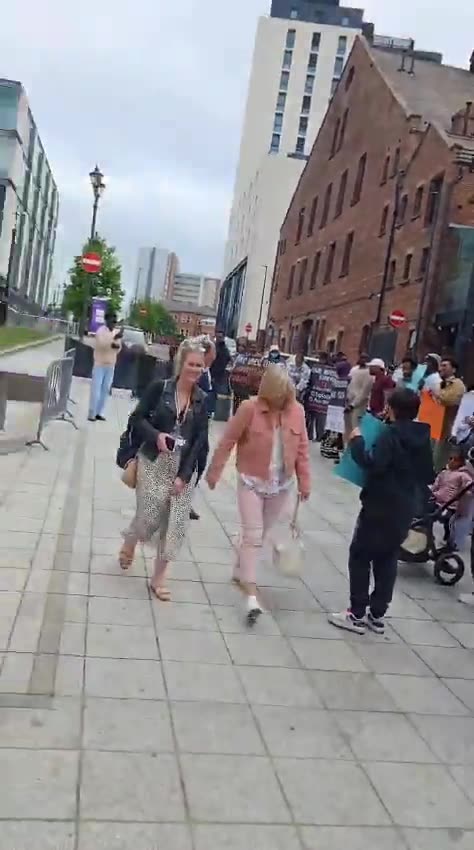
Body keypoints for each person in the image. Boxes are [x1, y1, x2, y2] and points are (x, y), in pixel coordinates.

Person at [206, 365, 311, 624]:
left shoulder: (297, 412)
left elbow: (303, 449)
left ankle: (239, 571)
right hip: (251, 481)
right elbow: (227, 440)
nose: (283, 401)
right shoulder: (249, 409)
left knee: (260, 534)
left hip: (281, 485)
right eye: (280, 395)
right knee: (253, 535)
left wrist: (305, 482)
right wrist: (214, 472)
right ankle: (251, 594)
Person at [328, 388, 434, 635]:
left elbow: (373, 464)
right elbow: (427, 474)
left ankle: (355, 613)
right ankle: (376, 614)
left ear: (393, 409)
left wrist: (356, 441)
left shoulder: (390, 434)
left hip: (379, 506)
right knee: (387, 559)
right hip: (404, 507)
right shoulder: (422, 436)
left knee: (361, 555)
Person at [120, 339, 209, 600]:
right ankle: (131, 540)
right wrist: (157, 435)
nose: (195, 370)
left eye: (200, 366)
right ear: (181, 363)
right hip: (154, 459)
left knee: (175, 524)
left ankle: (158, 578)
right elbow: (136, 419)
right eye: (191, 364)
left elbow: (200, 442)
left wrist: (185, 476)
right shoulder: (160, 389)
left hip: (183, 465)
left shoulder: (202, 400)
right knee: (149, 514)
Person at [190, 338, 216, 521]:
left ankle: (185, 498)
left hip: (203, 423)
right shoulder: (198, 372)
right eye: (212, 352)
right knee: (194, 463)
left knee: (199, 462)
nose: (215, 356)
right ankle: (182, 500)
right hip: (195, 425)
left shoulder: (206, 371)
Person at [431, 446, 474, 549]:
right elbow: (435, 486)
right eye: (450, 459)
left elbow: (470, 485)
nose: (451, 462)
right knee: (428, 518)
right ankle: (428, 537)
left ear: (460, 463)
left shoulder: (462, 475)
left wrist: (467, 492)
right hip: (437, 501)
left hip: (451, 505)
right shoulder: (443, 473)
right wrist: (431, 493)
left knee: (449, 523)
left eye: (455, 460)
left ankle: (450, 542)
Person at [88, 312, 122, 421]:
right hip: (99, 364)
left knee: (105, 389)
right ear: (106, 321)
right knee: (96, 389)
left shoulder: (116, 332)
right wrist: (113, 340)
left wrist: (116, 343)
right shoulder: (100, 331)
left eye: (115, 322)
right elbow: (102, 344)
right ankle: (92, 413)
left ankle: (99, 412)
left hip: (111, 365)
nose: (114, 324)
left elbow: (118, 347)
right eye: (112, 322)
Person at [433, 357, 466, 472]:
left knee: (442, 456)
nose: (441, 368)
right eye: (440, 365)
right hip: (435, 426)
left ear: (454, 370)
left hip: (448, 428)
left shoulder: (458, 385)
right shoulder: (439, 383)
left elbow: (449, 400)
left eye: (445, 365)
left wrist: (436, 393)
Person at [344, 353, 373, 442]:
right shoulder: (354, 370)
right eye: (361, 358)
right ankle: (346, 449)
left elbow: (364, 392)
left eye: (365, 358)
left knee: (355, 428)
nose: (362, 360)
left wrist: (353, 405)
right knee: (347, 428)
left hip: (358, 405)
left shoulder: (369, 374)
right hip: (348, 400)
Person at [209, 330, 232, 413]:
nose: (218, 338)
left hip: (218, 375)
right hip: (214, 374)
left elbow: (224, 362)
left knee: (215, 394)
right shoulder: (215, 347)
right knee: (213, 393)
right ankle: (212, 410)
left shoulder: (223, 349)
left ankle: (213, 410)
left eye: (220, 337)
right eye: (217, 337)